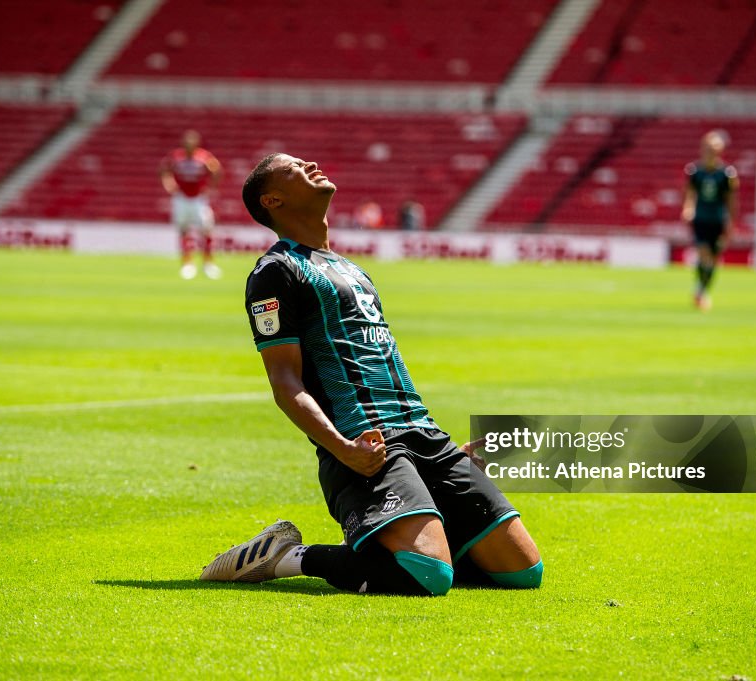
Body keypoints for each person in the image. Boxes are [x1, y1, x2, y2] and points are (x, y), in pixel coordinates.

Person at [199, 154, 543, 596]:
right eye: (294, 167)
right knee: (426, 576)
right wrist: (342, 448)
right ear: (273, 199)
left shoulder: (353, 270)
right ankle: (284, 556)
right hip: (365, 442)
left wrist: (442, 454)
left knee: (520, 572)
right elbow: (285, 383)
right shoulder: (275, 272)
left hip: (425, 434)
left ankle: (413, 527)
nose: (312, 163)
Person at [681, 130, 738, 310]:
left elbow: (731, 200)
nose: (710, 151)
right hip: (701, 219)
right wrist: (688, 208)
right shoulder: (694, 171)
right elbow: (689, 193)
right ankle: (702, 294)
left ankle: (701, 289)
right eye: (707, 147)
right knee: (703, 253)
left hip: (718, 220)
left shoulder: (727, 174)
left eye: (714, 148)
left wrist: (731, 222)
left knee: (713, 260)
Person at [159, 130, 223, 280]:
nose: (188, 145)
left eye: (191, 143)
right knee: (184, 230)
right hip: (181, 198)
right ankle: (187, 264)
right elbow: (163, 169)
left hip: (198, 199)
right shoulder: (176, 156)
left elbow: (216, 170)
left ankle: (208, 264)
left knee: (206, 229)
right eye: (186, 143)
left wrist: (210, 187)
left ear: (196, 144)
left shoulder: (203, 157)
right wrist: (168, 183)